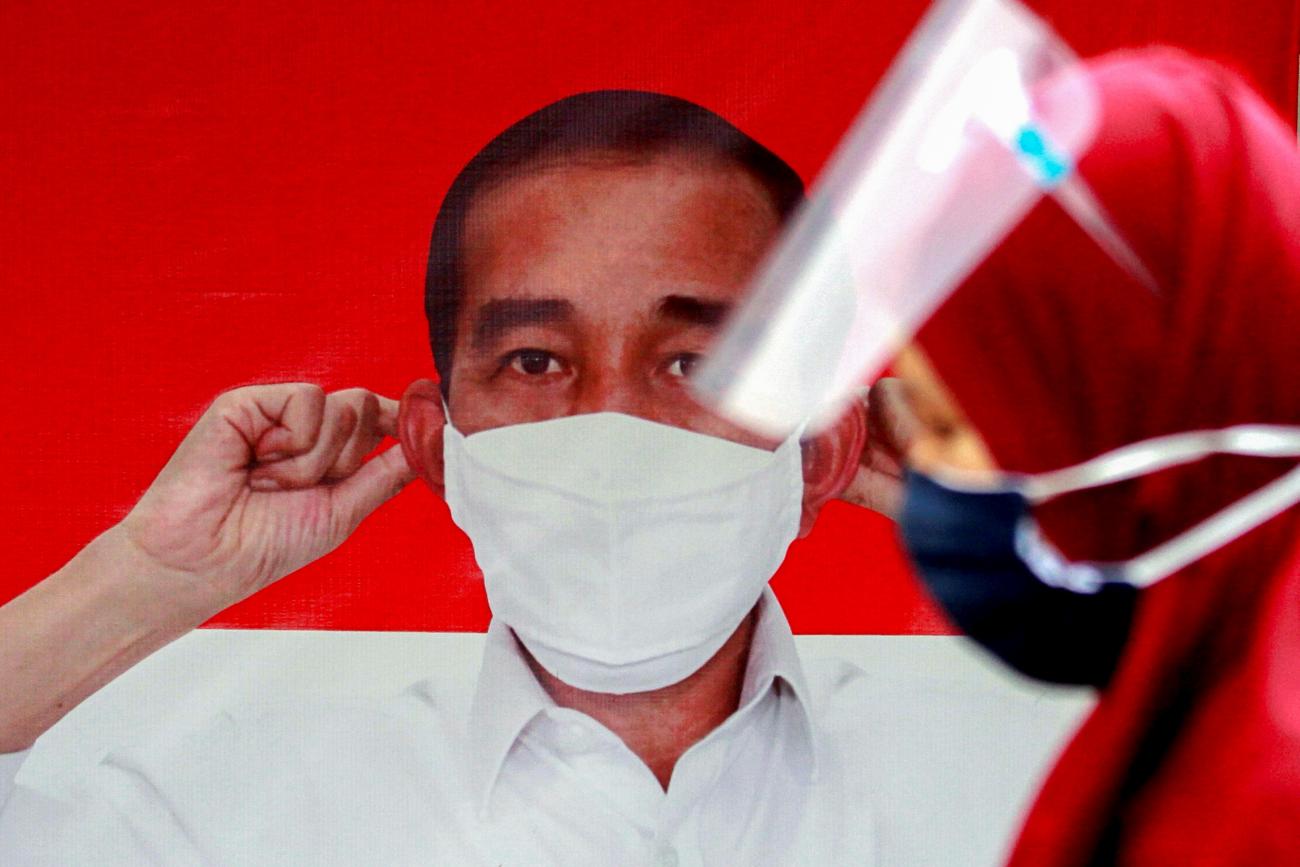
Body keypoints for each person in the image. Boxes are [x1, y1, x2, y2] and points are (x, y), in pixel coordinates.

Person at [0, 91, 1074, 865]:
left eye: (697, 363)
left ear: (821, 452)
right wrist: (144, 577)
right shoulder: (229, 810)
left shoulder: (1030, 783)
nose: (610, 428)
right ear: (434, 444)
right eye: (535, 362)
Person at [882, 50, 1300, 864]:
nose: (920, 466)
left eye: (949, 421)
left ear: (1147, 432)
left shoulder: (1268, 805)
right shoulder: (1225, 697)